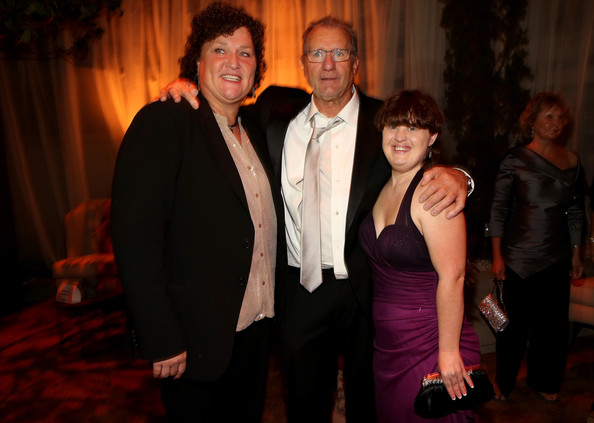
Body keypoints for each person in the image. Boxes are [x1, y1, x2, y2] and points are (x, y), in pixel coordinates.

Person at [160, 16, 472, 423]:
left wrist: (460, 176)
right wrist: (184, 87)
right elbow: (222, 106)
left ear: (355, 63)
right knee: (304, 405)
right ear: (303, 62)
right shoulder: (272, 112)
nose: (328, 64)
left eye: (340, 53)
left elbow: (423, 156)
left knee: (370, 403)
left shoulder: (385, 122)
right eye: (318, 53)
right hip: (299, 291)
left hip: (366, 292)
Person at [110, 3, 285, 422]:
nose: (233, 61)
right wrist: (161, 336)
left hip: (254, 333)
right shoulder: (166, 122)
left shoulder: (257, 130)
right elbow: (135, 239)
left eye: (245, 52)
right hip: (193, 339)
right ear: (198, 61)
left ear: (256, 67)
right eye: (219, 49)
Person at [358, 90, 481, 422]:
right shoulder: (380, 185)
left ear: (433, 137)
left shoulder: (436, 192)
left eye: (413, 128)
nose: (400, 136)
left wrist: (448, 352)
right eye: (393, 125)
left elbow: (453, 277)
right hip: (387, 348)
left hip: (430, 343)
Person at [488, 91, 586, 403]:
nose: (556, 123)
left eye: (560, 117)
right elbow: (498, 210)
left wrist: (576, 252)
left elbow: (576, 212)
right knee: (511, 330)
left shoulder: (572, 160)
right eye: (549, 116)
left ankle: (545, 380)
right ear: (532, 121)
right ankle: (504, 381)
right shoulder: (515, 160)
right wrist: (497, 256)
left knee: (552, 330)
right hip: (517, 258)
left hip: (557, 257)